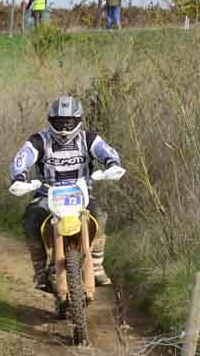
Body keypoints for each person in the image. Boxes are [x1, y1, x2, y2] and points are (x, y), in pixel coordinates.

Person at [8, 96, 123, 291]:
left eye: (68, 123)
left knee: (100, 215)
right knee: (31, 219)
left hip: (81, 195)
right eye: (59, 122)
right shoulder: (39, 141)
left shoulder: (89, 139)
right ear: (51, 121)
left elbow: (107, 152)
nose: (63, 128)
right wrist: (18, 176)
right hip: (48, 195)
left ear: (78, 121)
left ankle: (95, 265)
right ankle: (40, 270)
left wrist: (112, 165)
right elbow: (22, 158)